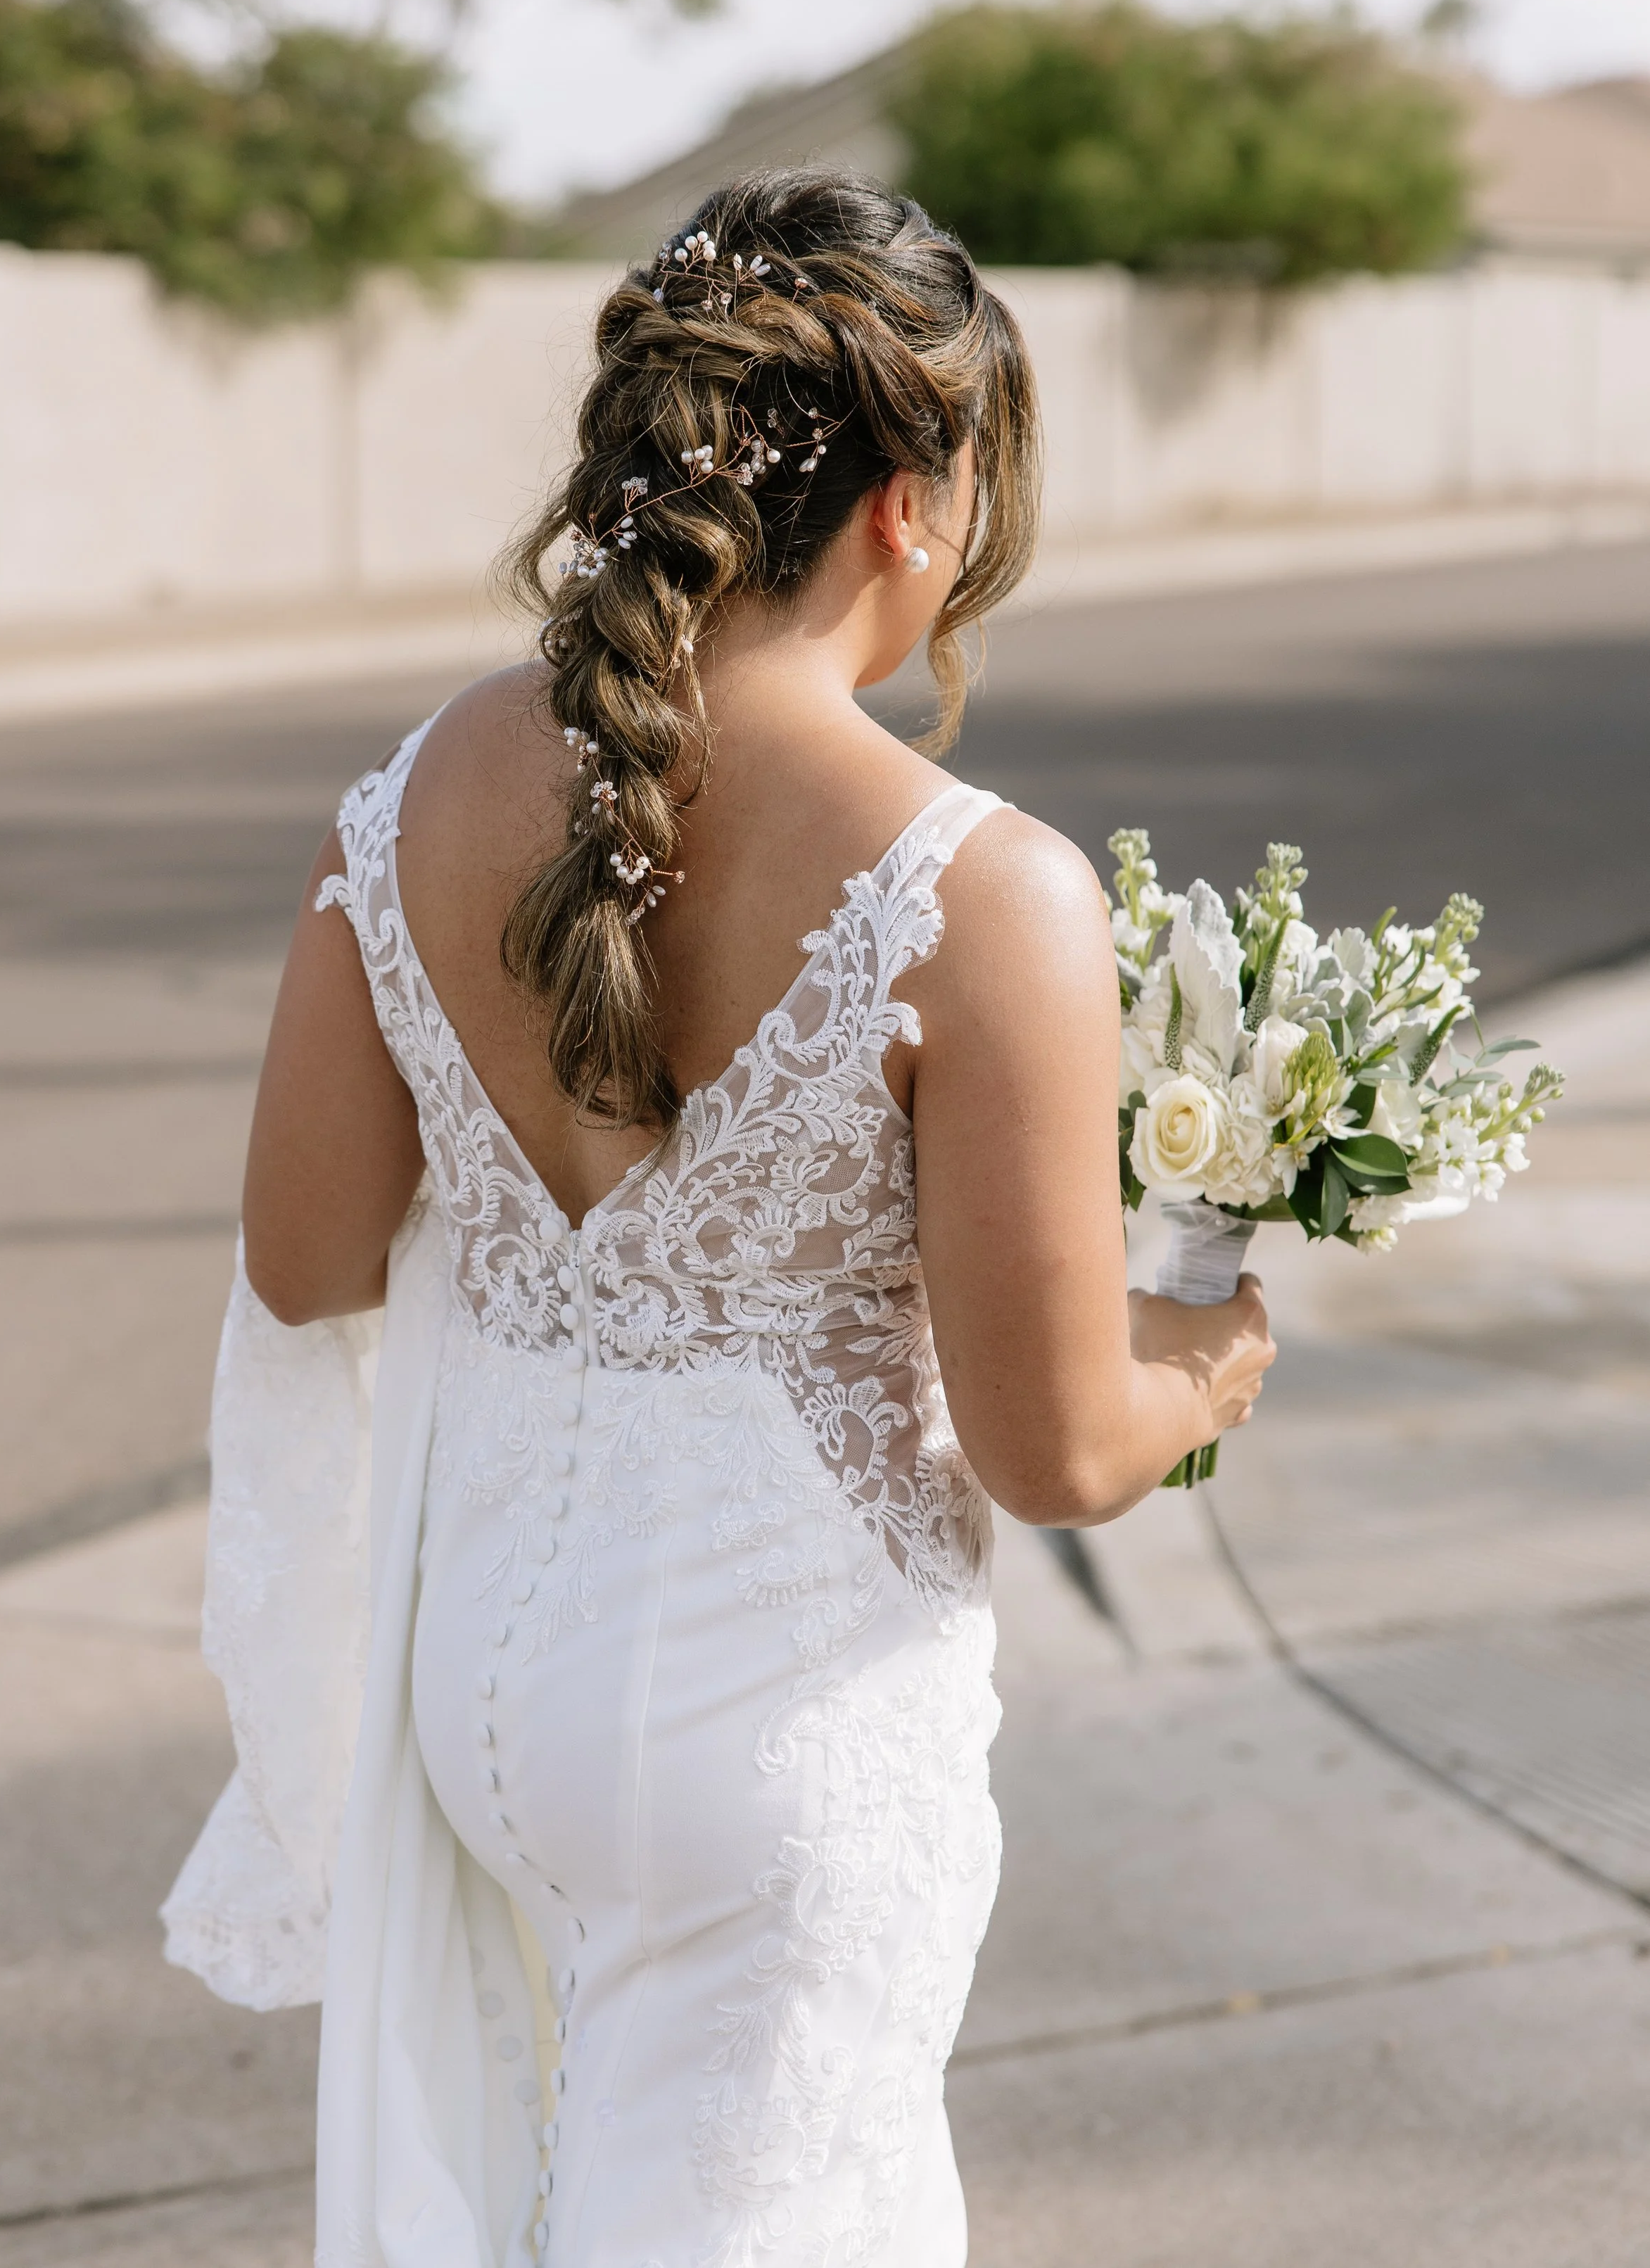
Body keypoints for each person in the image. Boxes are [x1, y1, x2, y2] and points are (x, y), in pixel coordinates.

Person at [163, 169, 1274, 2268]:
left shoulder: (401, 802)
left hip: (480, 1689)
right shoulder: (979, 887)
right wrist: (1206, 1351)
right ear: (917, 497)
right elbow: (1052, 1446)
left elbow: (304, 1262)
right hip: (772, 1750)